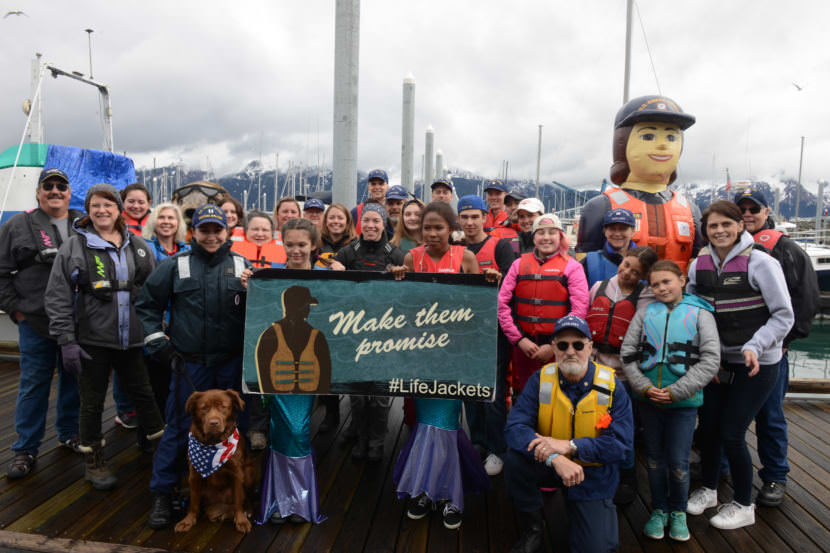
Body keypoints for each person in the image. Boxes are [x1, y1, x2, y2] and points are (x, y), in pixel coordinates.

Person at [137, 204, 251, 529]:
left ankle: (230, 492)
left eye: (217, 230)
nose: (212, 236)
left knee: (232, 429)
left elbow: (260, 308)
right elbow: (146, 305)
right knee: (177, 426)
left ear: (227, 232)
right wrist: (159, 343)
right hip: (190, 366)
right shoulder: (175, 265)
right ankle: (163, 492)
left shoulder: (243, 266)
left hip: (229, 365)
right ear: (194, 233)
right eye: (205, 230)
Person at [44, 183, 165, 490]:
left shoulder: (139, 246)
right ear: (89, 210)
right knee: (92, 402)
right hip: (92, 340)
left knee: (145, 395)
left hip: (133, 339)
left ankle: (158, 451)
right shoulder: (74, 246)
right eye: (96, 205)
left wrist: (156, 330)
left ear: (118, 209)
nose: (102, 211)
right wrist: (67, 340)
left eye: (108, 205)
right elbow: (58, 295)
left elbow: (154, 292)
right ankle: (94, 459)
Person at [685, 200, 793, 530]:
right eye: (712, 226)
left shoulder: (761, 263)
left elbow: (784, 315)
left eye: (726, 224)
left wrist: (755, 345)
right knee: (710, 430)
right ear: (705, 230)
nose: (719, 231)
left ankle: (744, 504)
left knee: (732, 433)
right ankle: (709, 490)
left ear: (740, 226)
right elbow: (693, 310)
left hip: (758, 363)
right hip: (717, 362)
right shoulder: (697, 265)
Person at [390, 201, 495, 530]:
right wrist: (394, 280)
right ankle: (423, 488)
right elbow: (402, 304)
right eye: (427, 227)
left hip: (454, 351)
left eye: (439, 227)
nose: (432, 233)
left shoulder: (465, 257)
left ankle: (450, 493)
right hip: (420, 351)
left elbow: (478, 306)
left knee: (447, 422)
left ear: (452, 229)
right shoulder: (411, 258)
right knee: (425, 421)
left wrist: (489, 281)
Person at [504, 315, 633, 553]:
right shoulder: (540, 379)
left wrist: (571, 446)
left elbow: (621, 446)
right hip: (550, 464)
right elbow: (515, 428)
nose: (570, 351)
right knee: (514, 460)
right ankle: (533, 529)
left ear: (590, 347)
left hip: (594, 473)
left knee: (597, 549)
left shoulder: (614, 385)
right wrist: (555, 457)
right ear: (553, 348)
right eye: (562, 345)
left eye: (578, 344)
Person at [620, 260, 720, 542]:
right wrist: (643, 387)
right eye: (655, 284)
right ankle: (659, 509)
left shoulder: (701, 314)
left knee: (678, 461)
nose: (662, 288)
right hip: (648, 401)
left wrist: (678, 391)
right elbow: (628, 352)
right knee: (654, 460)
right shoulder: (644, 313)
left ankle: (678, 511)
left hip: (683, 405)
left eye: (667, 282)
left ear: (682, 280)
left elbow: (711, 359)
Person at [734, 187, 819, 506]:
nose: (747, 214)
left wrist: (785, 342)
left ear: (767, 212)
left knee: (770, 415)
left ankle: (774, 476)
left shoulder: (788, 250)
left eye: (753, 209)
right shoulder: (728, 251)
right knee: (731, 415)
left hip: (771, 352)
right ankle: (725, 465)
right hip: (734, 351)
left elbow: (806, 300)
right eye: (741, 209)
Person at [245, 217, 329, 525]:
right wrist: (248, 285)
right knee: (281, 431)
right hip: (276, 367)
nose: (295, 250)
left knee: (299, 430)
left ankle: (300, 499)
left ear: (314, 246)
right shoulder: (269, 277)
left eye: (302, 245)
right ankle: (280, 501)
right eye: (289, 244)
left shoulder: (328, 278)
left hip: (311, 369)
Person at [0, 168, 83, 479]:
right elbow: (1, 272)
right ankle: (25, 448)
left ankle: (69, 433)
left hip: (76, 325)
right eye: (47, 186)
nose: (54, 190)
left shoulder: (83, 224)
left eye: (61, 185)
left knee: (73, 381)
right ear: (38, 192)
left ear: (69, 192)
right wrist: (16, 310)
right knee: (33, 386)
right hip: (35, 323)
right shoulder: (16, 225)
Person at [577, 95, 703, 274]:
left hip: (675, 297)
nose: (662, 145)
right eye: (648, 136)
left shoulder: (690, 210)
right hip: (620, 297)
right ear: (623, 142)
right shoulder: (600, 207)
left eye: (671, 137)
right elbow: (584, 267)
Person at [331, 203, 405, 460]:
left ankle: (377, 442)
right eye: (367, 220)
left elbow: (406, 296)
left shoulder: (394, 254)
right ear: (360, 223)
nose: (371, 226)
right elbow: (331, 290)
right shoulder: (347, 253)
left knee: (380, 395)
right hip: (353, 334)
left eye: (376, 221)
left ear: (384, 223)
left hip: (384, 335)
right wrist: (334, 271)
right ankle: (361, 439)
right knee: (358, 395)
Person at [587, 245, 657, 504]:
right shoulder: (598, 287)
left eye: (635, 271)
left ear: (643, 276)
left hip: (626, 376)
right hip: (596, 370)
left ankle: (627, 476)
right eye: (626, 265)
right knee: (595, 423)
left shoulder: (647, 295)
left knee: (622, 428)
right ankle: (596, 467)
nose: (627, 272)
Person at [457, 195, 516, 476]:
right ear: (459, 219)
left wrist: (499, 277)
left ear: (484, 217)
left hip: (493, 328)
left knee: (493, 390)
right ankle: (477, 441)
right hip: (464, 329)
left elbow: (512, 281)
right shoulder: (454, 249)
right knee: (470, 388)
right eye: (464, 217)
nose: (470, 222)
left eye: (475, 217)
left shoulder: (500, 246)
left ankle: (497, 447)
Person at [498, 213, 589, 392]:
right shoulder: (518, 265)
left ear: (560, 236)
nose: (546, 237)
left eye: (552, 232)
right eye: (540, 233)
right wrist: (520, 340)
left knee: (556, 394)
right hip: (524, 347)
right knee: (525, 393)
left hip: (559, 348)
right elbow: (502, 305)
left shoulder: (573, 267)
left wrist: (554, 344)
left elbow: (579, 309)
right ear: (533, 237)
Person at [141, 203, 191, 415]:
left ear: (178, 223)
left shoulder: (188, 251)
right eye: (162, 217)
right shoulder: (143, 248)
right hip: (155, 324)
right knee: (155, 383)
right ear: (153, 221)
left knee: (180, 383)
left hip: (180, 325)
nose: (166, 222)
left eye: (171, 218)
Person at [581, 208, 637, 288]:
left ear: (633, 231)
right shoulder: (589, 262)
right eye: (612, 229)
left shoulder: (644, 262)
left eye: (623, 229)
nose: (617, 234)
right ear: (605, 231)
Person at [352, 169, 389, 235]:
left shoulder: (393, 211)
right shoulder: (356, 211)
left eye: (381, 184)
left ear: (387, 187)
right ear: (369, 188)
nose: (377, 187)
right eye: (373, 184)